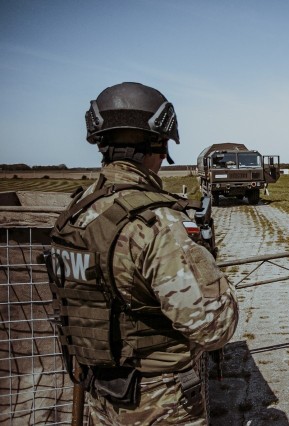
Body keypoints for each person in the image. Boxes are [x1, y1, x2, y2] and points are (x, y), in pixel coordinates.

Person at [47, 82, 239, 424]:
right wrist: (216, 279)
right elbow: (213, 327)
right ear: (160, 146)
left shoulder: (79, 211)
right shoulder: (156, 222)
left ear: (102, 144)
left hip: (100, 392)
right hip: (158, 401)